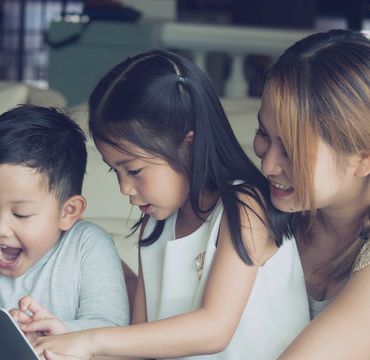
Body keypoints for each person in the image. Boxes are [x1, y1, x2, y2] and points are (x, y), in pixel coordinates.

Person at [32, 49, 309, 360]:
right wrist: (69, 341)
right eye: (116, 171)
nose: (125, 188)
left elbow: (214, 329)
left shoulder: (245, 207)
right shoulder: (154, 226)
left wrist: (91, 341)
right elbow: (138, 346)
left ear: (188, 145)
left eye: (134, 170)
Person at [0, 104, 129, 338]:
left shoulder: (89, 246)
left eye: (20, 214)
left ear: (68, 212)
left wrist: (58, 333)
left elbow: (112, 327)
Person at [253, 29, 370, 359]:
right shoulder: (262, 212)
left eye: (291, 151)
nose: (268, 166)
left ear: (363, 158)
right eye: (262, 133)